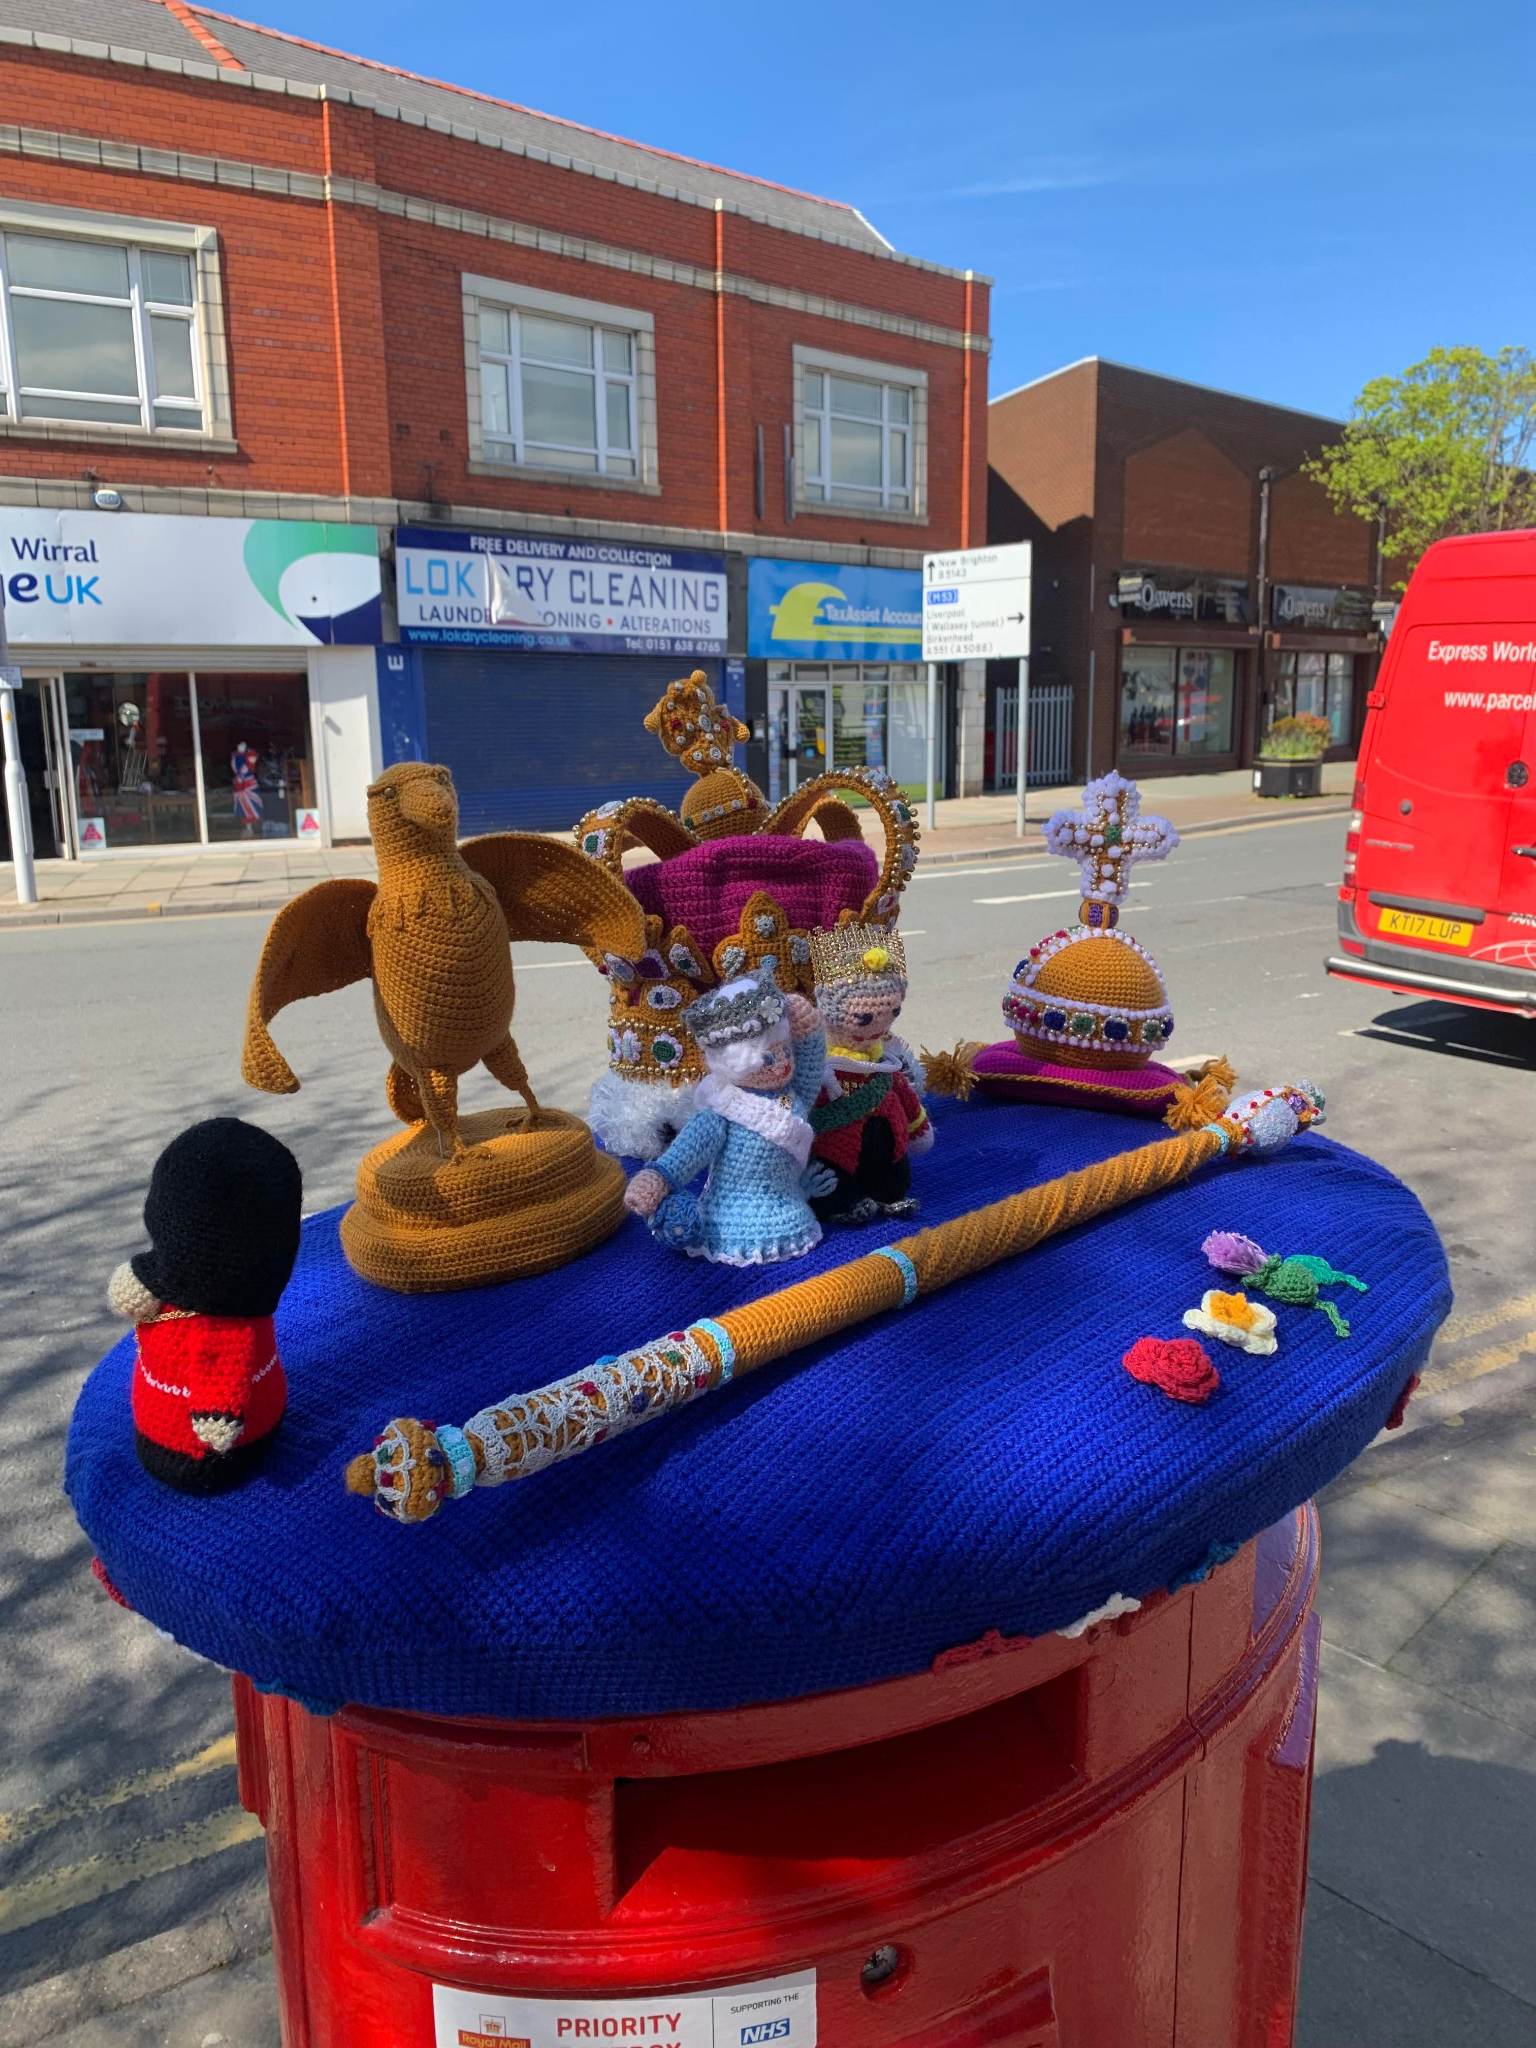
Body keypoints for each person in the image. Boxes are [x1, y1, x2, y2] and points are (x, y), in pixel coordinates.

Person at [624, 972, 827, 1266]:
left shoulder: (786, 1098)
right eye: (768, 1059)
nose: (782, 1064)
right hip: (733, 1218)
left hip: (791, 1205)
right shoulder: (723, 1111)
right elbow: (687, 1152)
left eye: (785, 1050)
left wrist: (808, 1031)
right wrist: (657, 1178)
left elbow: (809, 1071)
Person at [806, 924, 932, 1225]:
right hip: (834, 1146)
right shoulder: (822, 1067)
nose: (879, 1027)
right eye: (864, 1018)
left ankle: (888, 1194)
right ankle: (842, 1203)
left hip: (887, 1138)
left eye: (893, 1013)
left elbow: (900, 1091)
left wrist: (918, 1125)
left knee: (893, 1172)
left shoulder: (883, 1061)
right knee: (832, 1174)